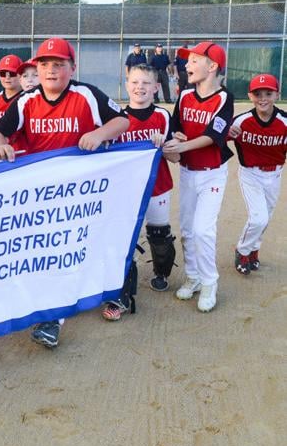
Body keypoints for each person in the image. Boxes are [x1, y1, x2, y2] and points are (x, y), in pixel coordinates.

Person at [0, 37, 129, 347]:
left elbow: (122, 120)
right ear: (36, 68)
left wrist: (99, 132)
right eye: (44, 64)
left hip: (82, 191)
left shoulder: (86, 94)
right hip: (42, 193)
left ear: (72, 67)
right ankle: (49, 307)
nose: (51, 70)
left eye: (59, 64)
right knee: (44, 251)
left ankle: (54, 317)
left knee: (69, 250)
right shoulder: (26, 100)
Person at [101, 64, 179, 321]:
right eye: (135, 82)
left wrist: (166, 144)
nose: (140, 87)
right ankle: (122, 294)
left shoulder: (162, 116)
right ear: (126, 85)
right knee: (124, 240)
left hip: (157, 185)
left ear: (156, 88)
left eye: (146, 83)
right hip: (127, 191)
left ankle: (161, 270)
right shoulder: (117, 119)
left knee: (159, 236)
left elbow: (176, 157)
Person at [162, 41, 234, 312]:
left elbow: (214, 136)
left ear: (212, 66)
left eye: (193, 60)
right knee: (189, 231)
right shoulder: (184, 95)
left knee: (204, 230)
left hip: (212, 174)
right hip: (188, 172)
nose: (187, 65)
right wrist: (176, 136)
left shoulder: (224, 98)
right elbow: (175, 125)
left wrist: (182, 145)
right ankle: (192, 277)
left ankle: (209, 282)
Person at [227, 73, 286, 275]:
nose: (263, 98)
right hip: (250, 174)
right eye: (257, 93)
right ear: (250, 96)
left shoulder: (284, 121)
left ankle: (253, 249)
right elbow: (216, 135)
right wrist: (228, 132)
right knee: (258, 217)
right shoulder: (241, 121)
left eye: (268, 93)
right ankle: (242, 251)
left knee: (266, 217)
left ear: (277, 95)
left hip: (275, 174)